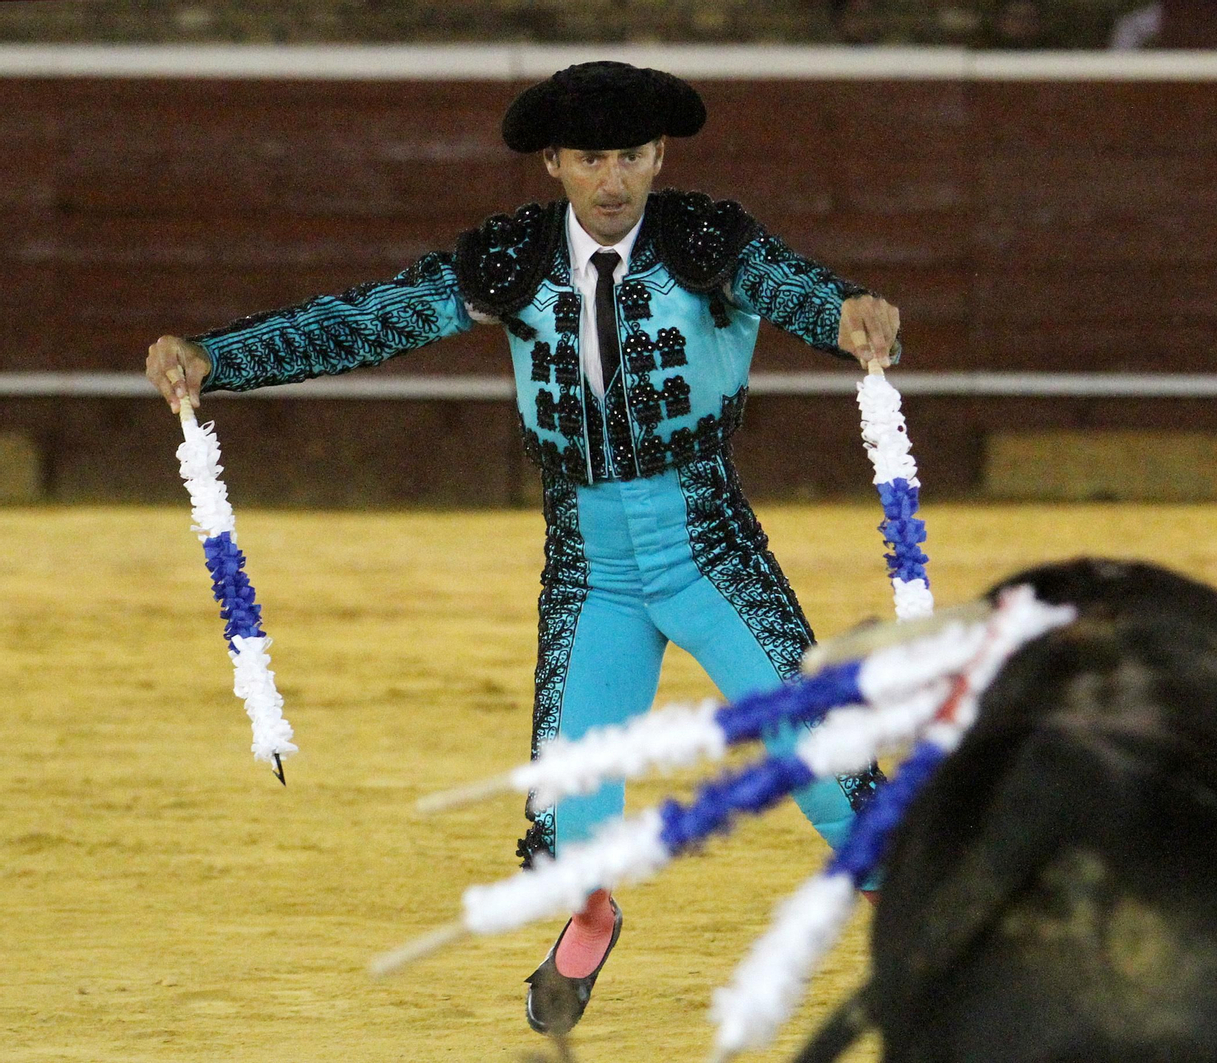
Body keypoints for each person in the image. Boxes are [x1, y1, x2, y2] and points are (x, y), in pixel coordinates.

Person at [145, 60, 901, 1037]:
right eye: (592, 158)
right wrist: (219, 356)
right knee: (572, 833)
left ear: (659, 154)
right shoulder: (510, 260)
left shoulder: (710, 241)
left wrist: (850, 317)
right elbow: (372, 319)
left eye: (632, 155)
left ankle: (937, 947)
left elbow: (799, 291)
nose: (615, 179)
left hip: (712, 555)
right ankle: (593, 921)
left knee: (837, 770)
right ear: (553, 162)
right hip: (592, 578)